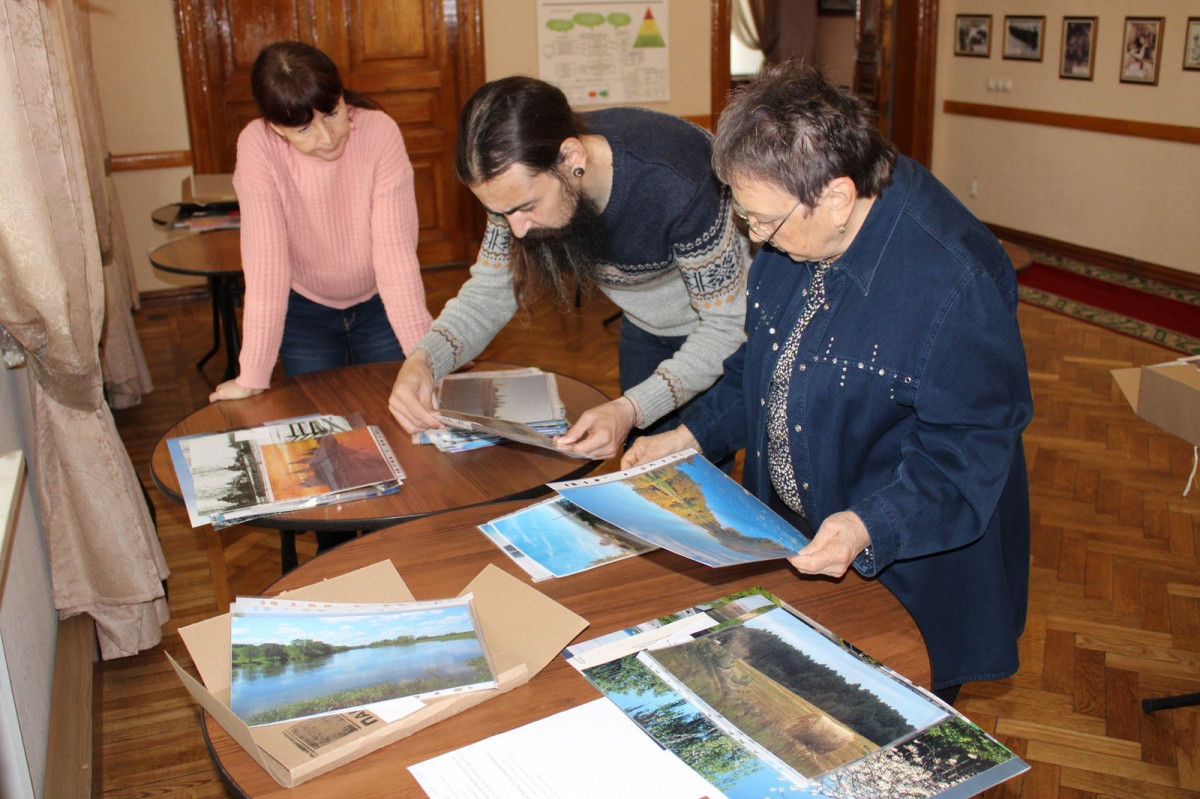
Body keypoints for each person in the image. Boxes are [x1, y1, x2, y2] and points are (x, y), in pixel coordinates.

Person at [623, 64, 1033, 705]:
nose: (753, 237)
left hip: (904, 558)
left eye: (763, 221)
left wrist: (869, 525)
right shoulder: (796, 236)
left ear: (837, 197)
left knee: (889, 728)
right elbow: (757, 370)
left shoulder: (956, 281)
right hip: (799, 535)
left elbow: (970, 451)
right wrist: (691, 434)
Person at [387, 76, 750, 459]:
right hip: (645, 323)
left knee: (698, 477)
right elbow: (489, 295)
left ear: (572, 160)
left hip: (723, 331)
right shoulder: (517, 191)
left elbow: (726, 326)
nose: (517, 229)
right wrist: (424, 360)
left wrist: (630, 408)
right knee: (647, 474)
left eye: (526, 207)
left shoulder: (679, 180)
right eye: (499, 213)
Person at [211, 41, 432, 551]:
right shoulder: (257, 146)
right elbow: (266, 268)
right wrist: (252, 376)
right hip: (305, 309)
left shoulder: (378, 132)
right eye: (302, 128)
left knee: (401, 429)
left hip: (379, 303)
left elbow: (397, 257)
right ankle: (336, 557)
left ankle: (402, 546)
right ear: (274, 126)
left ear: (342, 98)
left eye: (332, 114)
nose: (327, 136)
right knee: (324, 449)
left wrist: (427, 357)